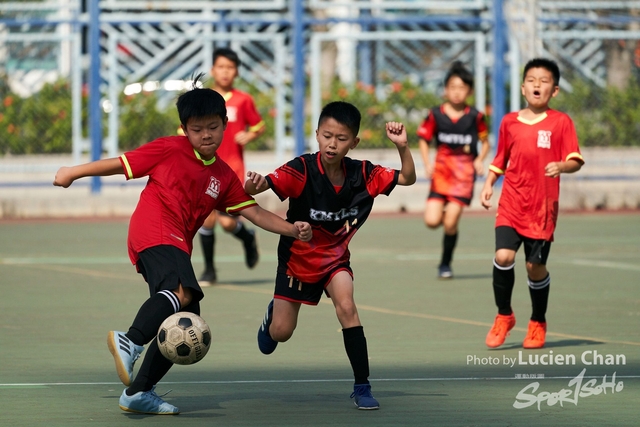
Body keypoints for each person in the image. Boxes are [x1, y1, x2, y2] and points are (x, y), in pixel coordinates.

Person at [52, 77, 312, 415]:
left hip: (173, 244)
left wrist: (293, 230)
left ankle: (138, 392)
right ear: (184, 130)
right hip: (154, 230)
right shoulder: (169, 149)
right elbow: (121, 163)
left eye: (213, 127)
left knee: (186, 315)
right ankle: (130, 339)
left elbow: (255, 213)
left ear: (225, 126)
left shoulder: (223, 175)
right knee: (183, 291)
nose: (206, 135)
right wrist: (74, 172)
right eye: (197, 129)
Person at [244, 101, 416, 410]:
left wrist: (403, 147)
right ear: (317, 135)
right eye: (326, 136)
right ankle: (272, 316)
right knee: (281, 333)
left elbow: (407, 179)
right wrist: (253, 185)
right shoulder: (302, 169)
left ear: (354, 142)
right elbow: (265, 185)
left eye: (340, 138)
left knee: (347, 307)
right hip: (297, 260)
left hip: (335, 260)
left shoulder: (363, 172)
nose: (332, 144)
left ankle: (362, 385)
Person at [480, 58, 584, 350]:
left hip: (542, 209)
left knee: (534, 268)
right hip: (512, 201)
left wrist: (562, 166)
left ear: (555, 90)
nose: (537, 84)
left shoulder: (561, 122)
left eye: (544, 80)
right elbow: (500, 159)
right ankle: (504, 315)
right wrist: (489, 183)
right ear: (523, 87)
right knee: (503, 257)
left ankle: (538, 321)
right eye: (532, 80)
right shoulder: (510, 121)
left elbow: (574, 159)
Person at [197, 47, 266, 284]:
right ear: (212, 70)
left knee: (227, 223)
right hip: (206, 168)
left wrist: (250, 135)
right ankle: (209, 270)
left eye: (230, 67)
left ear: (236, 72)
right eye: (221, 67)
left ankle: (247, 238)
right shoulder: (203, 99)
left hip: (232, 170)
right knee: (207, 218)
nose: (225, 72)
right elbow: (187, 127)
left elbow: (258, 125)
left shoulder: (243, 99)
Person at [417, 61, 490, 279]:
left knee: (450, 223)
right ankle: (445, 211)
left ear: (469, 91)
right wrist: (427, 163)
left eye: (462, 88)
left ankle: (445, 263)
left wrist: (480, 160)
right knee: (431, 221)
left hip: (463, 176)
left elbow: (485, 142)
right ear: (446, 89)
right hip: (441, 173)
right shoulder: (435, 114)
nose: (457, 92)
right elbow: (423, 139)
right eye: (452, 87)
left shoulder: (475, 117)